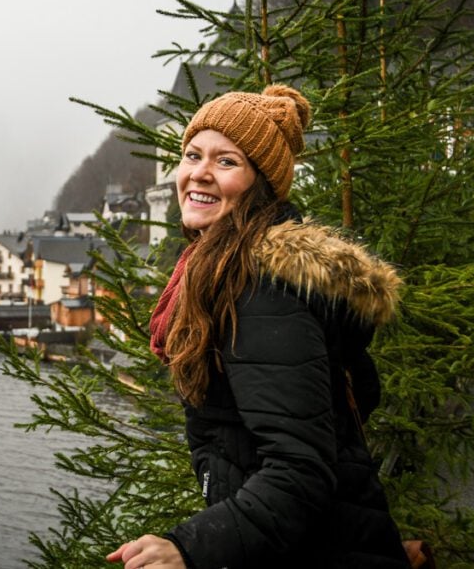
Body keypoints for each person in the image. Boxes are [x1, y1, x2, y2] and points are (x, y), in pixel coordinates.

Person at [106, 85, 410, 568]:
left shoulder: (259, 288)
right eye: (192, 155)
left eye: (226, 161)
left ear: (260, 184)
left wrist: (187, 547)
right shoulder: (218, 271)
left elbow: (300, 470)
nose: (199, 173)